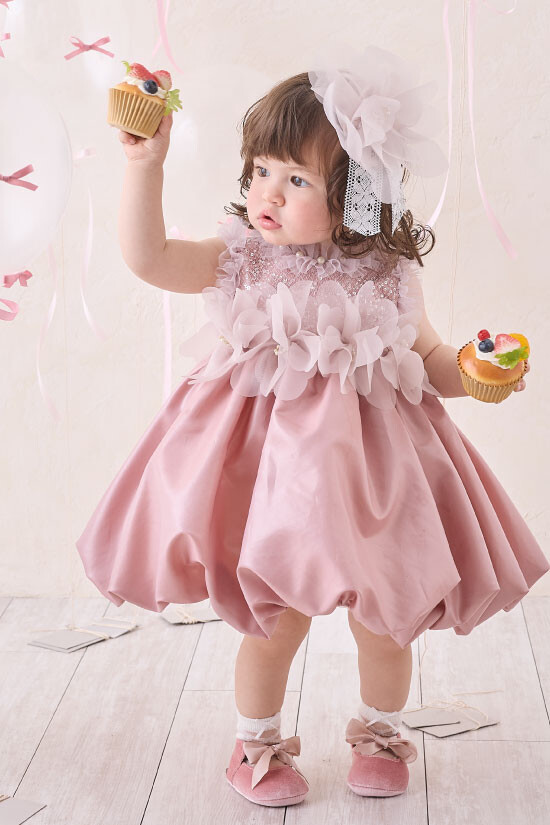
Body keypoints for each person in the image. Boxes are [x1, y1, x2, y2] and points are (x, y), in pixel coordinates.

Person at [76, 46, 549, 808]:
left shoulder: (388, 274)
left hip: (374, 478)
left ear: (357, 195)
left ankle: (380, 730)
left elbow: (429, 359)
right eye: (261, 168)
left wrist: (475, 373)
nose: (267, 191)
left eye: (296, 179)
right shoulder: (241, 257)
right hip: (269, 479)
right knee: (275, 618)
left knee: (386, 620)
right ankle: (256, 740)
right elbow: (150, 258)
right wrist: (144, 167)